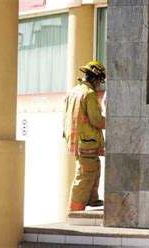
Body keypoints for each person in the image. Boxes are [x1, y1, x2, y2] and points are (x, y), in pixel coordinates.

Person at [63, 60, 106, 211]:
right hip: (87, 141)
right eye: (100, 82)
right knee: (84, 175)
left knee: (94, 168)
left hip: (77, 140)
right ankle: (75, 209)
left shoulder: (74, 91)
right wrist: (114, 124)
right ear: (95, 79)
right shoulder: (89, 94)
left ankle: (92, 199)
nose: (99, 86)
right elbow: (96, 120)